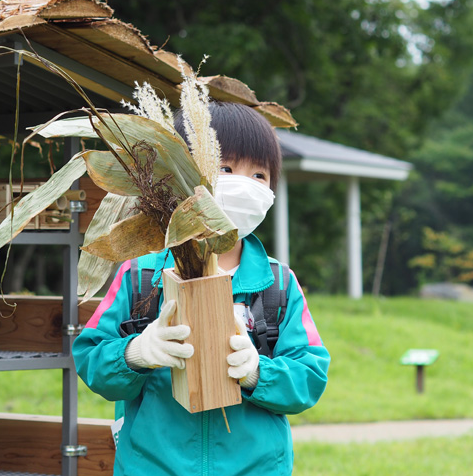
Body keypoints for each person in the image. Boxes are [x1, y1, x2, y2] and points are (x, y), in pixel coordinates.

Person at [73, 101, 330, 475]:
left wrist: (259, 372)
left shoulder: (279, 283)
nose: (243, 186)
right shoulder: (140, 275)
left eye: (259, 176)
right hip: (153, 466)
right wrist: (137, 353)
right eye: (225, 169)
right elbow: (90, 358)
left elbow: (310, 376)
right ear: (179, 173)